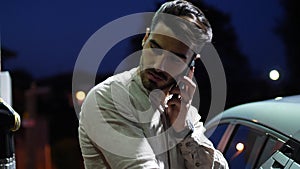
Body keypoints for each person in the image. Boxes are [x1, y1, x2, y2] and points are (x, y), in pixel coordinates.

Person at [78, 0, 228, 168]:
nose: (159, 65)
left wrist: (184, 131)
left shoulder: (184, 111)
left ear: (191, 64)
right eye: (155, 48)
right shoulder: (107, 99)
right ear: (145, 38)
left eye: (174, 58)